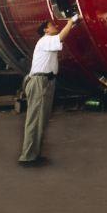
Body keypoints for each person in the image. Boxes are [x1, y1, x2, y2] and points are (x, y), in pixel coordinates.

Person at [18, 14, 79, 166]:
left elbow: (61, 37)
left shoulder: (48, 41)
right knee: (35, 120)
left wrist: (72, 25)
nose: (56, 26)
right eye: (52, 25)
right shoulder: (45, 41)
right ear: (46, 30)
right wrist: (70, 21)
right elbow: (60, 37)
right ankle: (27, 157)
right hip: (40, 82)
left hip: (46, 82)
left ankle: (34, 155)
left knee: (41, 120)